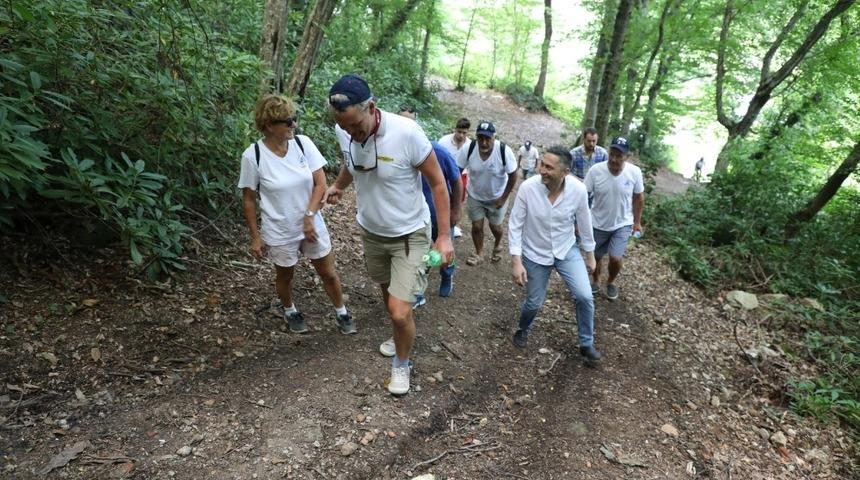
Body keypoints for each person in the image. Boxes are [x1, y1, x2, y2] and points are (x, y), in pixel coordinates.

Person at [323, 74, 454, 396]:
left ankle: (402, 364)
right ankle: (400, 330)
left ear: (371, 107)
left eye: (356, 126)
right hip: (372, 232)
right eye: (344, 128)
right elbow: (351, 161)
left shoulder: (406, 133)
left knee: (398, 310)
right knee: (389, 297)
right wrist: (339, 185)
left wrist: (444, 236)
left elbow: (438, 183)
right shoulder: (346, 130)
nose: (352, 133)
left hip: (410, 232)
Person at [238, 94, 355, 335]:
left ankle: (342, 312)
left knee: (328, 272)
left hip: (312, 223)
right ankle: (290, 310)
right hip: (279, 228)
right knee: (285, 275)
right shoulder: (253, 155)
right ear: (269, 125)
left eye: (294, 118)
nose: (294, 124)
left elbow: (320, 185)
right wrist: (255, 237)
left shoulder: (303, 144)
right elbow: (248, 198)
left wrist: (309, 217)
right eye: (287, 121)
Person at [508, 146, 600, 363]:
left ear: (565, 172)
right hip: (535, 251)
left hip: (566, 249)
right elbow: (515, 225)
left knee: (585, 296)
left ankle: (586, 343)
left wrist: (590, 255)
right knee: (534, 303)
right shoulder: (528, 188)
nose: (542, 170)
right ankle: (523, 328)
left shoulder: (578, 190)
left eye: (549, 167)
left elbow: (585, 223)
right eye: (542, 165)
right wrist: (516, 261)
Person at [398, 107, 463, 303]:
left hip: (438, 214)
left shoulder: (437, 151)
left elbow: (456, 181)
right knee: (419, 255)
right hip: (414, 217)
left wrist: (456, 210)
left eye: (410, 122)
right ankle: (418, 290)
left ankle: (447, 275)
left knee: (443, 253)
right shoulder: (396, 152)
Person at [584, 136, 645, 301]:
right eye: (612, 154)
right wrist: (579, 220)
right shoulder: (596, 171)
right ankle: (596, 280)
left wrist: (637, 222)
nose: (614, 159)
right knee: (596, 256)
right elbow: (583, 195)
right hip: (597, 222)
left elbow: (639, 198)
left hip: (622, 223)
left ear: (627, 157)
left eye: (619, 156)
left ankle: (610, 281)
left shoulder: (634, 172)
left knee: (616, 258)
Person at [456, 121, 518, 266]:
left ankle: (498, 243)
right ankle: (479, 253)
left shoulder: (503, 151)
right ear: (476, 137)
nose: (484, 143)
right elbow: (457, 170)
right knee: (477, 226)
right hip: (475, 195)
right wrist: (456, 194)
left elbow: (513, 175)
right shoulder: (469, 148)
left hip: (497, 196)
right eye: (480, 138)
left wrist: (503, 198)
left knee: (495, 227)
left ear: (494, 137)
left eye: (488, 139)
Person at [438, 118, 471, 238]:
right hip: (445, 174)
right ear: (455, 130)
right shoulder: (444, 141)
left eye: (464, 133)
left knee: (458, 199)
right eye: (459, 132)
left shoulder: (470, 145)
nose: (461, 135)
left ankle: (453, 222)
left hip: (462, 175)